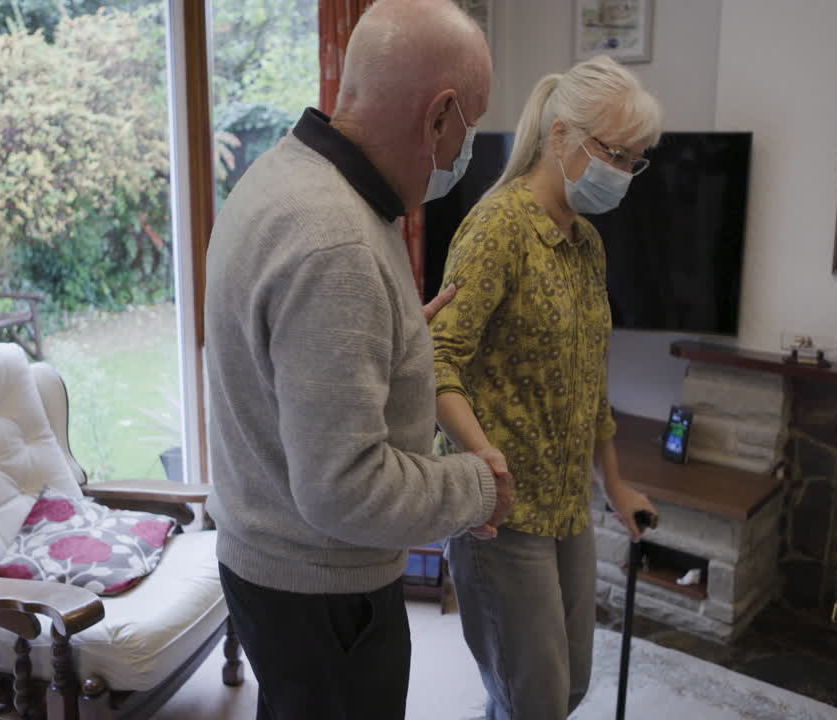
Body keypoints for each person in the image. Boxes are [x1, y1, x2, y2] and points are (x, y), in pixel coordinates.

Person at [203, 0, 513, 717]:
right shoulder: (336, 245)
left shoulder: (281, 174)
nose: (464, 152)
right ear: (438, 117)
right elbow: (344, 488)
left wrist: (396, 336)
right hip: (322, 594)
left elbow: (291, 356)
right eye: (470, 123)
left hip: (268, 561)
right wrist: (478, 487)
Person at [431, 56, 661, 720]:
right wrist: (487, 461)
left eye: (635, 161)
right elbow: (437, 363)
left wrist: (614, 484)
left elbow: (591, 381)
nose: (624, 173)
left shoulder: (587, 242)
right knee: (532, 700)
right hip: (502, 516)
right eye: (617, 154)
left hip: (567, 506)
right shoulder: (497, 228)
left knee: (570, 686)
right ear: (560, 136)